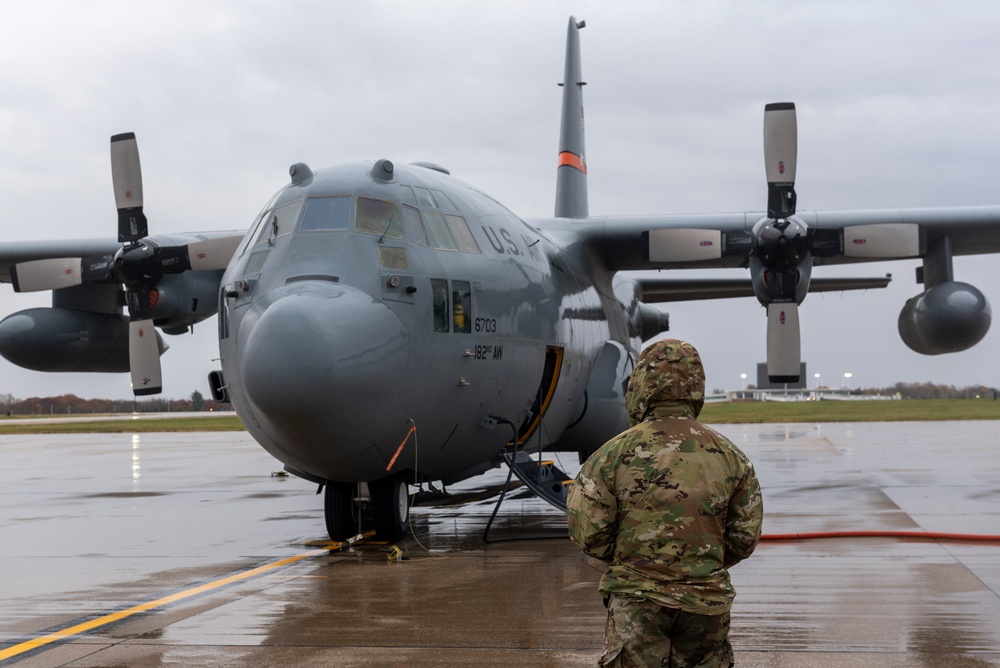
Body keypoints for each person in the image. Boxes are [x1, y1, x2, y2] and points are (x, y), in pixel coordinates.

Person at [567, 339, 762, 667]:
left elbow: (588, 533)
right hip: (706, 601)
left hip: (636, 602)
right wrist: (697, 566)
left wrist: (637, 563)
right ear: (697, 387)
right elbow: (744, 538)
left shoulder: (611, 455)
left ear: (641, 385)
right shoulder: (731, 457)